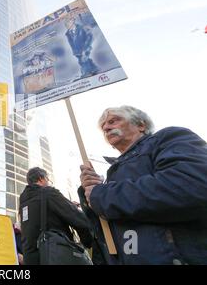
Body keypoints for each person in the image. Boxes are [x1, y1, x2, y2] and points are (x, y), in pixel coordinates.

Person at [79, 105, 207, 264]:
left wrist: (101, 195)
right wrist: (89, 193)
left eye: (113, 121)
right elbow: (108, 231)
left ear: (141, 125)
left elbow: (190, 186)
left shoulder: (169, 138)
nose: (106, 127)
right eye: (103, 126)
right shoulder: (113, 172)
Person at [19, 167, 93, 265]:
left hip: (31, 260)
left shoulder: (23, 203)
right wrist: (88, 241)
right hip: (55, 256)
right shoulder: (48, 193)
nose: (49, 183)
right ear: (41, 178)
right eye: (48, 180)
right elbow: (77, 218)